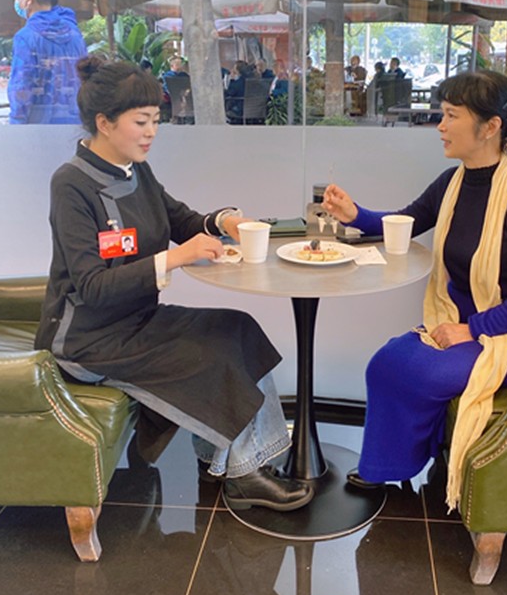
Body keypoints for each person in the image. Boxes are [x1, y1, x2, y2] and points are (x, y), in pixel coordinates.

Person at [36, 54, 312, 513]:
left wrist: (223, 221)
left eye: (155, 121)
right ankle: (245, 474)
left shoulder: (135, 169)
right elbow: (92, 286)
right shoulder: (72, 184)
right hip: (89, 339)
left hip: (135, 320)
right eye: (141, 122)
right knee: (212, 354)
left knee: (237, 328)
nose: (151, 133)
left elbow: (177, 219)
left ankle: (230, 461)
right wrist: (176, 258)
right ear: (104, 122)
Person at [322, 70, 507, 507]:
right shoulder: (452, 183)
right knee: (384, 363)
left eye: (452, 115)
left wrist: (473, 330)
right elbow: (406, 222)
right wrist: (354, 214)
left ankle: (414, 459)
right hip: (465, 322)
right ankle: (388, 467)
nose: (440, 125)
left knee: (424, 372)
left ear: (490, 127)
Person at [9, 0, 87, 124]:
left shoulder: (25, 37)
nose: (16, 2)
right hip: (75, 123)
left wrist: (16, 124)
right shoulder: (75, 34)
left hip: (38, 127)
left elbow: (21, 87)